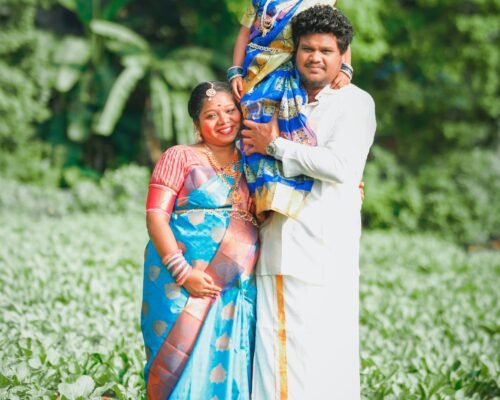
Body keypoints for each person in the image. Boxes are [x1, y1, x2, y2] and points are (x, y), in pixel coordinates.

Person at [241, 5, 376, 399]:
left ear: (342, 56)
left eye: (326, 50)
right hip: (280, 249)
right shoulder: (277, 98)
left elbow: (342, 167)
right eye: (307, 49)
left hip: (326, 250)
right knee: (278, 357)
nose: (315, 57)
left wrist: (276, 145)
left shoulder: (354, 103)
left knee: (326, 359)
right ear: (294, 50)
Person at [141, 81, 259, 400]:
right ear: (197, 125)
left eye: (230, 110)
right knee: (176, 369)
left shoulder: (255, 161)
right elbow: (155, 216)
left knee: (231, 363)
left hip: (235, 287)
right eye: (211, 115)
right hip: (178, 285)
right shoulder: (179, 157)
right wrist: (183, 273)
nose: (223, 120)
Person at [228, 0, 353, 220]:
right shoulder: (259, 2)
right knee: (251, 124)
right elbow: (244, 32)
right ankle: (253, 193)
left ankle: (281, 191)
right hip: (256, 69)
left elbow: (335, 33)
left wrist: (345, 68)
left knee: (287, 118)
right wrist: (236, 71)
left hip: (289, 69)